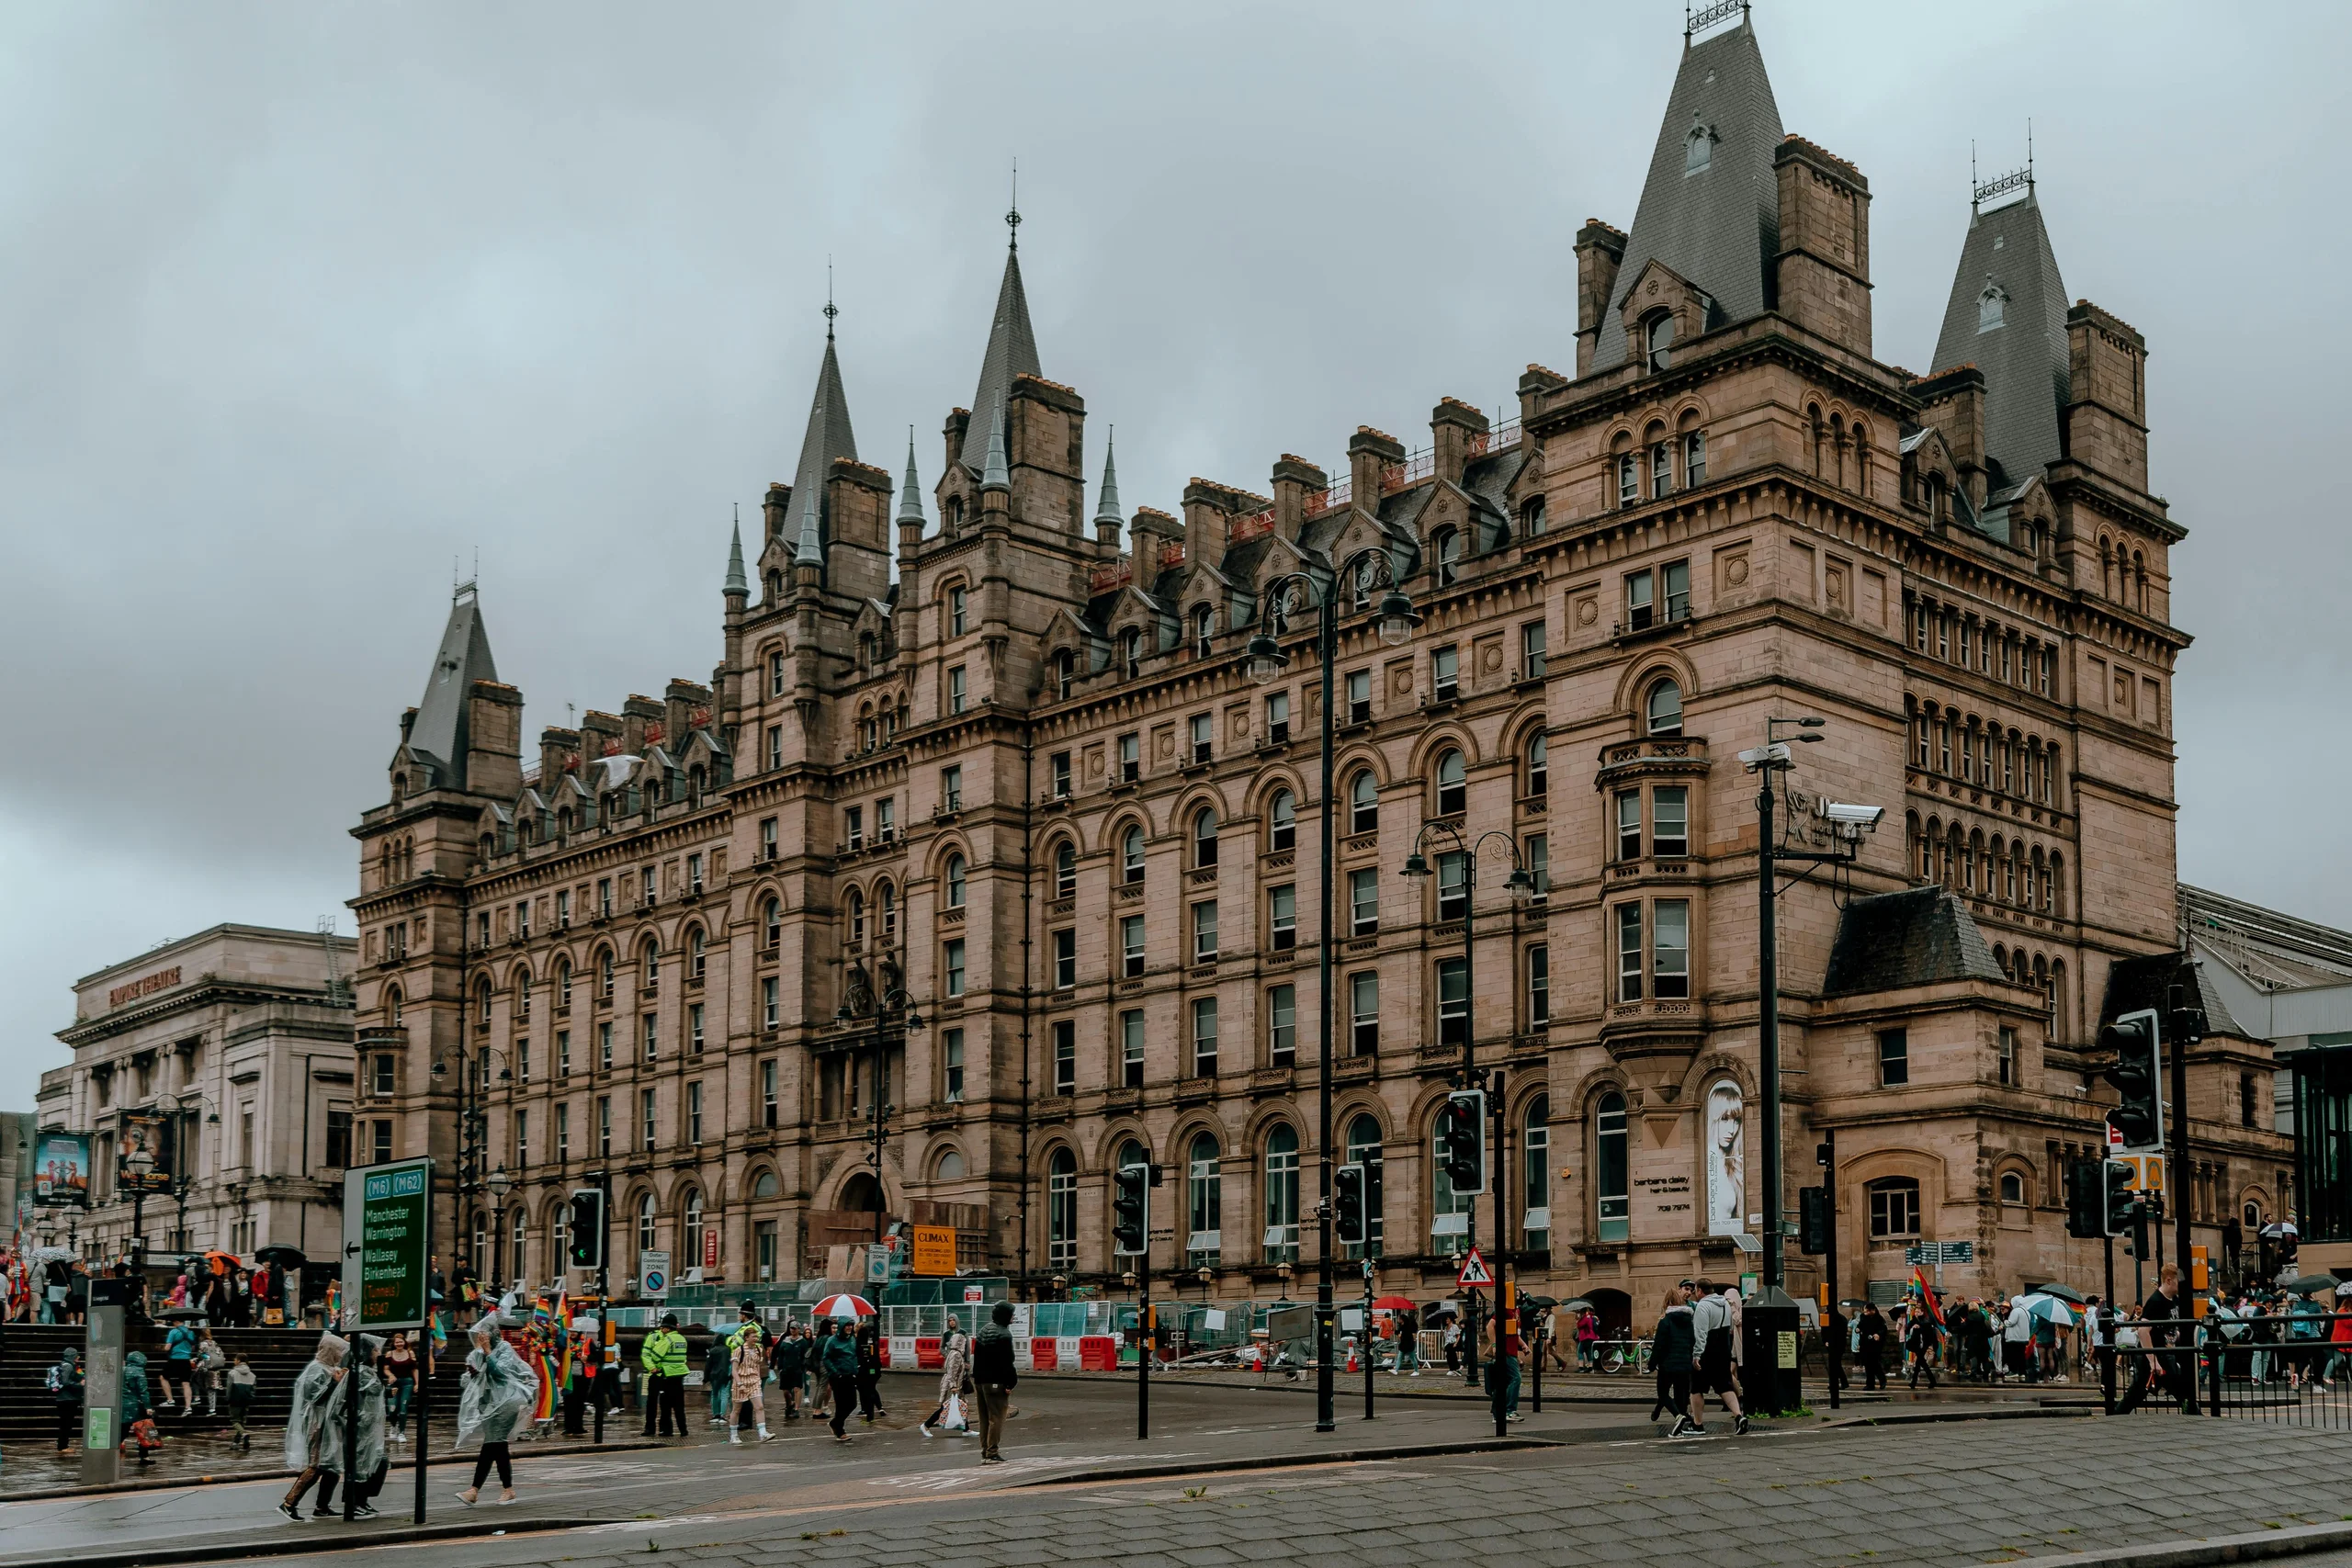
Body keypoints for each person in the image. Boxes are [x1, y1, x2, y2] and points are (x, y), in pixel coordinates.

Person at [456, 1318, 537, 1507]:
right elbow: (466, 1381)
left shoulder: (504, 1348)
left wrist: (487, 1352)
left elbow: (501, 1372)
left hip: (507, 1402)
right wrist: (472, 1373)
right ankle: (506, 1490)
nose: (481, 1337)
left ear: (493, 1333)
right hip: (488, 1403)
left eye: (484, 1333)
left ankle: (475, 1490)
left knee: (493, 1444)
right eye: (479, 1334)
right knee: (495, 1446)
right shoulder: (477, 1353)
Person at [279, 1334, 348, 1522]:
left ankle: (322, 1506)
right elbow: (314, 1397)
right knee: (317, 1464)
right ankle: (289, 1503)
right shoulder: (315, 1369)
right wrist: (333, 1383)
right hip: (318, 1424)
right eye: (338, 1351)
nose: (341, 1355)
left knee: (332, 1467)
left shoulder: (331, 1368)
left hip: (330, 1423)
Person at [1689, 1279, 1747, 1434]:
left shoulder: (1703, 1306)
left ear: (1700, 1291)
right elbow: (1730, 1327)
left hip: (1707, 1350)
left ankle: (1698, 1424)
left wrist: (1696, 1355)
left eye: (1695, 1291)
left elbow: (1700, 1333)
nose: (1695, 1294)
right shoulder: (1725, 1305)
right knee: (1724, 1386)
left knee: (1696, 1388)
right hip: (1723, 1349)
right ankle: (1739, 1416)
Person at [970, 1301, 1018, 1463]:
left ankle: (984, 1450)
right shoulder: (1004, 1334)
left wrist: (976, 1378)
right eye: (1011, 1313)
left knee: (984, 1417)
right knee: (997, 1417)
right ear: (1005, 1315)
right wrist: (1010, 1383)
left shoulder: (984, 1330)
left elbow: (977, 1355)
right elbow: (1006, 1362)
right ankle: (993, 1452)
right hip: (996, 1382)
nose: (1013, 1316)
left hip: (980, 1381)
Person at [1650, 1286, 1698, 1436]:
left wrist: (1652, 1363)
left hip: (1668, 1364)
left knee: (1663, 1392)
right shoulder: (1688, 1322)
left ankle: (1679, 1416)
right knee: (1681, 1394)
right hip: (1684, 1363)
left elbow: (1659, 1345)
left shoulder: (1665, 1322)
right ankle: (1681, 1419)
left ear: (1666, 1303)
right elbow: (1692, 1341)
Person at [729, 1303, 773, 1444]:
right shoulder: (739, 1350)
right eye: (753, 1337)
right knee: (736, 1409)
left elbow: (757, 1364)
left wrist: (758, 1378)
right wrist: (739, 1383)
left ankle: (763, 1433)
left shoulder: (758, 1347)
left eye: (756, 1337)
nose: (756, 1338)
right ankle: (733, 1435)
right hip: (741, 1381)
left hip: (753, 1381)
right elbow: (734, 1369)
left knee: (759, 1407)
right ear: (747, 1338)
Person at [639, 1313, 688, 1438]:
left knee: (666, 1403)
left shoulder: (668, 1339)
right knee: (653, 1402)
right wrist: (652, 1368)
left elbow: (654, 1355)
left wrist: (657, 1366)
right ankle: (651, 1428)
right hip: (662, 1373)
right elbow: (645, 1355)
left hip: (665, 1374)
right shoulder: (654, 1336)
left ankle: (665, 1429)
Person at [919, 1314, 970, 1436]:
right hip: (952, 1381)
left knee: (961, 1403)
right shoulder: (949, 1341)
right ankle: (926, 1425)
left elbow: (967, 1350)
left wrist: (967, 1362)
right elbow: (951, 1371)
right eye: (950, 1320)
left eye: (953, 1320)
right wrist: (949, 1355)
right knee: (947, 1405)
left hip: (958, 1376)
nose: (952, 1322)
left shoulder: (963, 1333)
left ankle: (966, 1429)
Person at [820, 1320, 861, 1443]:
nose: (849, 1327)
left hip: (850, 1375)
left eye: (851, 1325)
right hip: (838, 1376)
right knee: (841, 1403)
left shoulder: (852, 1339)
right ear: (842, 1326)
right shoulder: (832, 1341)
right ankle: (840, 1430)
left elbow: (853, 1355)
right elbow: (826, 1358)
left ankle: (835, 1423)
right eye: (847, 1325)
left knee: (852, 1403)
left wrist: (856, 1370)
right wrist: (835, 1372)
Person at [48, 1344, 84, 1453]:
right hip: (67, 1400)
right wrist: (80, 1384)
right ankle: (63, 1446)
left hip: (67, 1399)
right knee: (66, 1424)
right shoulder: (68, 1366)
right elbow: (66, 1382)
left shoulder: (70, 1365)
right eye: (76, 1355)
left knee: (66, 1424)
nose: (78, 1357)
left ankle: (63, 1445)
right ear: (72, 1356)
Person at [162, 1316, 198, 1416]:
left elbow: (167, 1347)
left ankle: (170, 1400)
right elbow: (193, 1347)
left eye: (173, 1321)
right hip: (186, 1360)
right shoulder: (190, 1332)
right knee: (186, 1383)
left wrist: (163, 1349)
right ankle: (188, 1407)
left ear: (177, 1321)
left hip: (174, 1359)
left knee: (163, 1377)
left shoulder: (173, 1332)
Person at [854, 1318, 886, 1422]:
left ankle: (866, 1411)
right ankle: (877, 1409)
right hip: (873, 1371)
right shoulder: (873, 1343)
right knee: (871, 1390)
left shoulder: (857, 1343)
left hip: (863, 1372)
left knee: (864, 1391)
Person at [1905, 1304, 1940, 1390]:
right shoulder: (1913, 1320)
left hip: (1923, 1344)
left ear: (1922, 1312)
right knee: (1920, 1363)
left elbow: (1928, 1331)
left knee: (1920, 1362)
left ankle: (1916, 1382)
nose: (1917, 1313)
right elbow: (1906, 1331)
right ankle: (1930, 1381)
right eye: (1916, 1312)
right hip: (1915, 1344)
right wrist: (1912, 1328)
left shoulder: (1926, 1320)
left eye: (1918, 1312)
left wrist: (1920, 1327)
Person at [227, 1354, 257, 1451]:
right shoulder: (252, 1375)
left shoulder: (232, 1373)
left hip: (235, 1399)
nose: (234, 1361)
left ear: (239, 1361)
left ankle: (244, 1434)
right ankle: (236, 1442)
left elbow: (229, 1388)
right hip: (246, 1400)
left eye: (235, 1359)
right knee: (242, 1421)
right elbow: (253, 1389)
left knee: (235, 1421)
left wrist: (228, 1398)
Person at [704, 1329, 733, 1428]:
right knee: (724, 1394)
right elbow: (730, 1363)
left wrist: (706, 1377)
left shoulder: (712, 1350)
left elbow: (708, 1365)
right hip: (725, 1375)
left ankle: (715, 1415)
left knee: (714, 1394)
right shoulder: (728, 1350)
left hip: (713, 1375)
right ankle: (722, 1416)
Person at [1857, 1303, 1889, 1390]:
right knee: (1867, 1364)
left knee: (1874, 1363)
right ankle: (1870, 1384)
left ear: (1873, 1310)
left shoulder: (1879, 1319)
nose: (1865, 1312)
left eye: (1867, 1311)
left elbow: (1883, 1329)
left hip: (1875, 1345)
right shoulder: (1863, 1317)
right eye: (1865, 1311)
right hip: (1865, 1343)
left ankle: (1882, 1380)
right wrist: (1858, 1329)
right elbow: (1860, 1327)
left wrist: (1878, 1335)